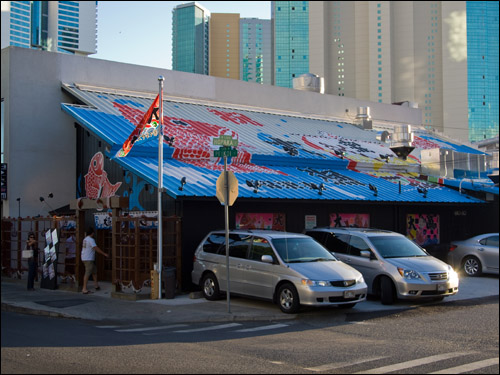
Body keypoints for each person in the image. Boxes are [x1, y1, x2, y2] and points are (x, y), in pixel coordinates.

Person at [81, 227, 109, 294]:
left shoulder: (85, 239)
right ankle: (84, 288)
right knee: (87, 273)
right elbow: (96, 248)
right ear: (92, 233)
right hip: (88, 258)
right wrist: (104, 254)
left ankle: (96, 285)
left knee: (94, 271)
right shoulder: (91, 240)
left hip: (85, 257)